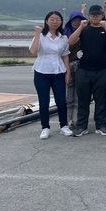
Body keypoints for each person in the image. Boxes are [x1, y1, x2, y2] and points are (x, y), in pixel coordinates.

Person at [68, 5, 106, 137]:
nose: (95, 16)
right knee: (83, 100)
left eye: (97, 14)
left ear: (102, 15)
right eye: (92, 14)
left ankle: (101, 125)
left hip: (102, 70)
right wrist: (81, 27)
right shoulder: (84, 29)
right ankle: (81, 126)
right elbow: (71, 41)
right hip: (83, 70)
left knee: (101, 100)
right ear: (89, 16)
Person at [29, 11, 73, 139]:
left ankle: (63, 126)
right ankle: (45, 127)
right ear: (46, 21)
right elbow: (33, 50)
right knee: (44, 102)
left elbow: (65, 55)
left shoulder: (63, 37)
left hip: (58, 72)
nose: (54, 21)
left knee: (61, 100)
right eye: (52, 19)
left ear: (61, 22)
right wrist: (37, 34)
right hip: (41, 71)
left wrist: (68, 72)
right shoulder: (41, 36)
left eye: (57, 19)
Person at [63, 9, 87, 127]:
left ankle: (77, 118)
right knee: (69, 94)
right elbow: (64, 51)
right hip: (69, 66)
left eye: (79, 20)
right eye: (74, 20)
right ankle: (67, 119)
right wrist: (67, 68)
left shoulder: (86, 32)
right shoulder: (64, 33)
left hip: (82, 67)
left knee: (80, 94)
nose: (77, 23)